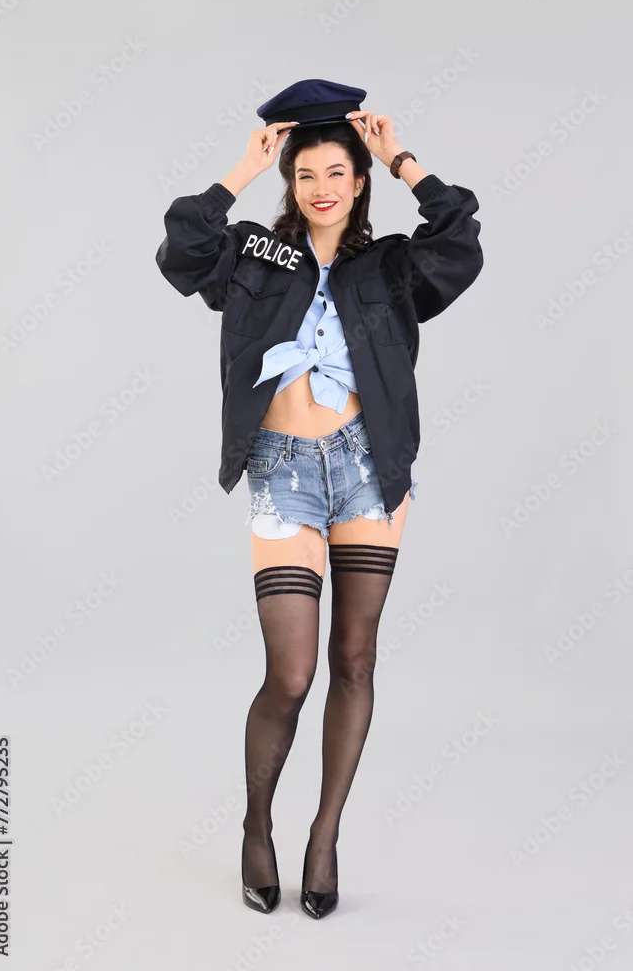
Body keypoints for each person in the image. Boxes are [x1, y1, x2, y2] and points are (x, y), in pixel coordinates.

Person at [155, 79, 483, 919]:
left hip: (369, 471)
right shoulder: (258, 256)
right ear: (291, 183)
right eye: (306, 175)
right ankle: (257, 822)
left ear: (359, 180)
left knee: (355, 659)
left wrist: (402, 158)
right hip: (285, 469)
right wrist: (241, 169)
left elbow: (460, 237)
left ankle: (325, 834)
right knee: (291, 673)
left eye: (338, 172)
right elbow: (182, 248)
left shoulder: (392, 265)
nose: (323, 187)